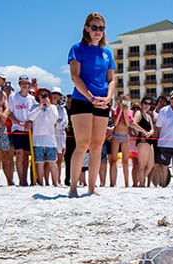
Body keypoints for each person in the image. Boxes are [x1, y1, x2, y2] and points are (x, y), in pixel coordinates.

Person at [67, 12, 115, 197]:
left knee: (97, 146)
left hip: (102, 102)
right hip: (82, 100)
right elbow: (74, 77)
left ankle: (92, 187)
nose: (98, 31)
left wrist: (108, 97)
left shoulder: (107, 53)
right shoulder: (77, 48)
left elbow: (111, 80)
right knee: (82, 144)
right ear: (86, 28)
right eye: (94, 27)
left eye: (101, 28)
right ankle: (73, 187)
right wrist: (90, 97)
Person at [8, 75, 36, 186]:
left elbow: (35, 114)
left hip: (28, 130)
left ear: (29, 85)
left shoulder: (32, 99)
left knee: (26, 155)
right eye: (22, 83)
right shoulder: (13, 97)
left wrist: (30, 122)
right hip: (17, 128)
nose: (24, 85)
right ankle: (21, 180)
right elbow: (9, 112)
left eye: (26, 83)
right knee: (19, 153)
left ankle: (25, 179)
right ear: (19, 85)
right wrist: (17, 122)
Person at [28, 87, 59, 186]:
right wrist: (40, 107)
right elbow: (30, 117)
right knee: (39, 162)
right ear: (37, 97)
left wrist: (48, 106)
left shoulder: (53, 107)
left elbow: (54, 119)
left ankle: (56, 182)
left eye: (45, 95)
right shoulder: (34, 107)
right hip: (38, 140)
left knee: (52, 162)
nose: (43, 97)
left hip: (50, 139)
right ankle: (40, 182)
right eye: (41, 95)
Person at [131, 96, 155, 187]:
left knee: (150, 165)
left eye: (149, 104)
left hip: (149, 141)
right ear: (142, 103)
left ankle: (139, 180)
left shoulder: (148, 116)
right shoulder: (138, 113)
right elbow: (133, 123)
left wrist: (150, 132)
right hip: (142, 141)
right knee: (142, 165)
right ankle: (141, 183)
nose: (147, 105)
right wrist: (143, 131)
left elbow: (152, 129)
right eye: (146, 103)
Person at [109, 93, 132, 187]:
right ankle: (112, 183)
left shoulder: (129, 111)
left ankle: (127, 183)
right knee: (113, 160)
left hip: (125, 136)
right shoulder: (115, 110)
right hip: (116, 135)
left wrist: (125, 112)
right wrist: (120, 111)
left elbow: (127, 124)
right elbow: (115, 123)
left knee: (125, 161)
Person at [51, 87, 68, 186]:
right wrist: (56, 122)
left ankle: (57, 180)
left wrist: (57, 123)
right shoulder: (47, 107)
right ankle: (49, 180)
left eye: (57, 94)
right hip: (50, 134)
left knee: (59, 159)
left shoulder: (62, 109)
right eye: (54, 93)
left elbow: (65, 123)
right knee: (50, 159)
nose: (55, 96)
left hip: (60, 135)